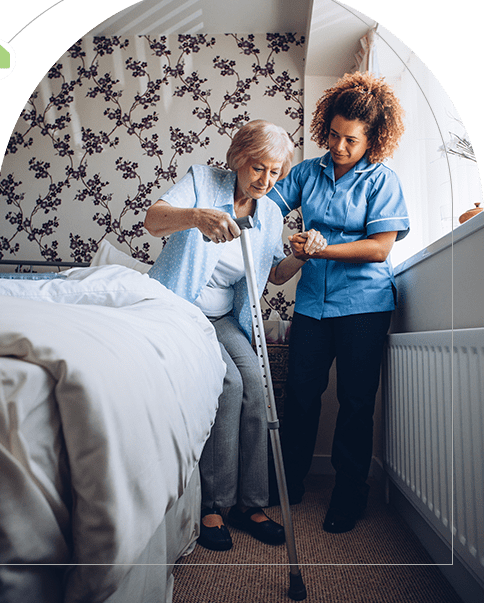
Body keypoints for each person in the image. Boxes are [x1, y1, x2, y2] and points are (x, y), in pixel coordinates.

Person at [144, 119, 327, 551]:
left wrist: (300, 256)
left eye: (275, 172)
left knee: (256, 386)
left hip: (226, 316)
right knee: (227, 383)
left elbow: (274, 274)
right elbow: (154, 220)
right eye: (258, 168)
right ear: (239, 160)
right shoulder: (202, 181)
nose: (266, 180)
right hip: (181, 308)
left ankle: (251, 503)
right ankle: (214, 503)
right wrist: (196, 217)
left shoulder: (271, 213)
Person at [268, 71, 409, 534]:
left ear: (373, 138)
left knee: (354, 401)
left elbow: (379, 248)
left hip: (365, 305)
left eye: (351, 139)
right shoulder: (308, 172)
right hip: (312, 304)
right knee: (303, 395)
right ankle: (289, 482)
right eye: (333, 134)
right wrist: (282, 241)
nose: (340, 146)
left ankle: (350, 495)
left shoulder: (382, 180)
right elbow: (268, 206)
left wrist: (320, 248)